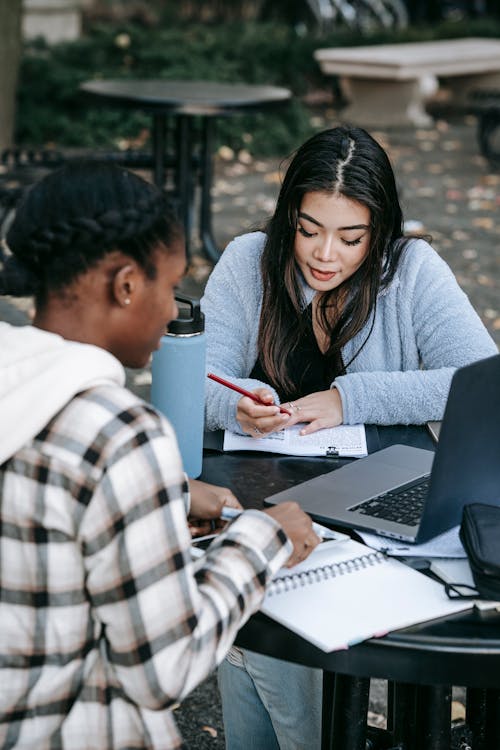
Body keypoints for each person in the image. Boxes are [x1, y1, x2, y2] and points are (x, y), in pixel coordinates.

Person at [0, 161, 320, 750]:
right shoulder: (121, 435)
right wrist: (262, 540)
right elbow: (162, 669)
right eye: (169, 286)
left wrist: (163, 492)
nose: (175, 308)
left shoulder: (15, 386)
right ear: (125, 285)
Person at [201, 125, 498, 749]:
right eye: (308, 229)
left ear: (381, 231)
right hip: (269, 501)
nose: (325, 254)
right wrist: (237, 406)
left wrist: (351, 398)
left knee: (271, 642)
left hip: (382, 499)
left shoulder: (410, 269)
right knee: (269, 634)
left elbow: (482, 379)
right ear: (288, 216)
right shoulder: (247, 262)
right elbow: (202, 382)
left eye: (351, 236)